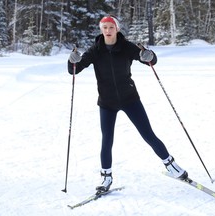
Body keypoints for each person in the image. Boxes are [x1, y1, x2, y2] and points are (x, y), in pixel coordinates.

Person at [67, 15, 188, 192]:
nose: (107, 31)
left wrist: (149, 55)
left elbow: (149, 60)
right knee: (107, 140)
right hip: (107, 102)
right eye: (105, 27)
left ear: (117, 29)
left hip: (130, 98)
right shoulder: (95, 50)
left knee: (148, 134)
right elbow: (74, 70)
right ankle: (106, 178)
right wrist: (72, 61)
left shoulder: (126, 47)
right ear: (101, 29)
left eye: (111, 27)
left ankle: (171, 165)